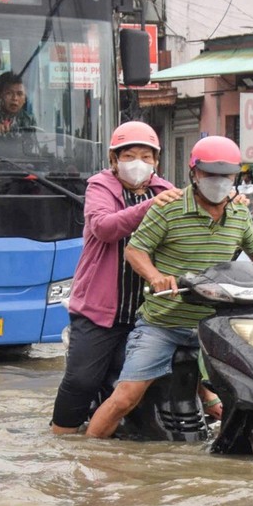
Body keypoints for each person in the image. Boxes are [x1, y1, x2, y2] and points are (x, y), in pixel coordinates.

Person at [84, 136, 253, 439]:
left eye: (227, 176)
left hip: (216, 325)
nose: (219, 182)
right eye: (210, 174)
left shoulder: (238, 214)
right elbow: (135, 251)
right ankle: (86, 458)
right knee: (126, 397)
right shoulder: (167, 209)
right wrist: (155, 276)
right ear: (194, 173)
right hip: (163, 322)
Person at [50, 122, 183, 434]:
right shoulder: (101, 187)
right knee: (82, 379)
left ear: (156, 162)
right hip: (99, 309)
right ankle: (61, 437)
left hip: (146, 311)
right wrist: (149, 207)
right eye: (130, 155)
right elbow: (104, 227)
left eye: (146, 157)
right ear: (114, 160)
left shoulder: (166, 192)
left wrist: (233, 205)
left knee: (162, 377)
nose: (139, 162)